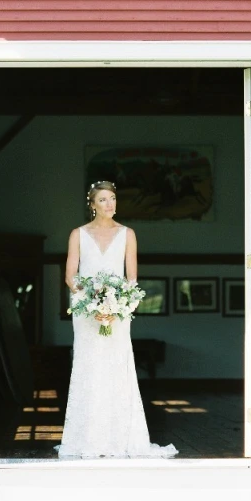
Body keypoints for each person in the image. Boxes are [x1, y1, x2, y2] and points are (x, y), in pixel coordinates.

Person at [56, 181, 178, 460]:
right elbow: (70, 277)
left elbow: (131, 279)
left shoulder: (127, 234)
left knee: (116, 369)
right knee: (90, 368)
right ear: (92, 204)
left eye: (112, 199)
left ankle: (122, 439)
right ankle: (85, 440)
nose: (110, 204)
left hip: (117, 314)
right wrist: (90, 305)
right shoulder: (78, 234)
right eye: (103, 200)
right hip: (87, 315)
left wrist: (116, 306)